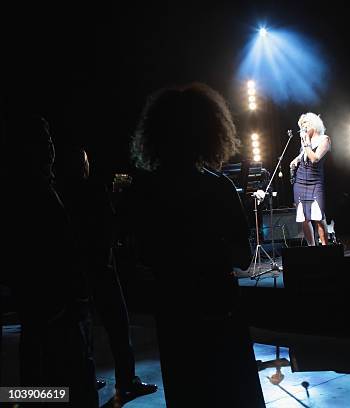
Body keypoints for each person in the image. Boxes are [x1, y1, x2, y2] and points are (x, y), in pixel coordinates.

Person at [126, 82, 265, 407]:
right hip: (219, 314)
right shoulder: (219, 189)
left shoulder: (147, 194)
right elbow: (244, 259)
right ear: (208, 131)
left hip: (176, 319)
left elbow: (143, 256)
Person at [2, 113, 98, 407]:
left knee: (37, 382)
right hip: (56, 312)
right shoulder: (37, 193)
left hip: (42, 310)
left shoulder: (27, 190)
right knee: (68, 384)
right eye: (44, 142)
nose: (51, 147)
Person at [53, 145, 157, 402]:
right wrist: (118, 202)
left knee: (85, 328)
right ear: (83, 166)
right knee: (118, 327)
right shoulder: (93, 190)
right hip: (102, 268)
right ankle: (127, 380)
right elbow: (111, 229)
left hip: (78, 271)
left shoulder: (61, 192)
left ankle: (87, 379)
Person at [289, 112, 331, 246]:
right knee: (304, 218)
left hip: (315, 182)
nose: (303, 126)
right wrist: (295, 159)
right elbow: (304, 155)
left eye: (305, 123)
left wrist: (306, 144)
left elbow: (315, 159)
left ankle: (325, 248)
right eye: (301, 125)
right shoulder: (305, 142)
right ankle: (312, 248)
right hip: (300, 182)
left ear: (314, 123)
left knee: (318, 216)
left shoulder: (325, 139)